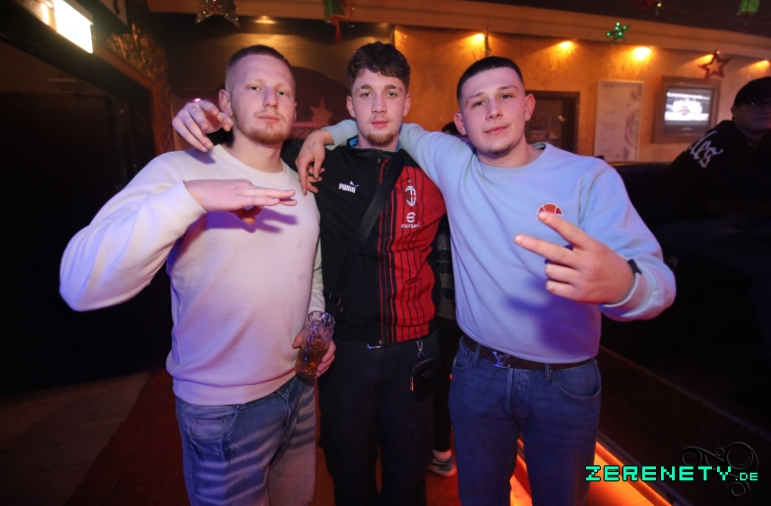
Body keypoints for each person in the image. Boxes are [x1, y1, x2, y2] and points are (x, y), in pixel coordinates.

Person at [299, 56, 676, 506]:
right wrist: (322, 136)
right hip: (478, 373)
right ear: (461, 122)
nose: (493, 111)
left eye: (505, 96)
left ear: (528, 105)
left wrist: (626, 286)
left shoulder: (588, 178)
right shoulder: (453, 161)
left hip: (563, 381)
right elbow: (380, 120)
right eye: (478, 102)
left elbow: (658, 281)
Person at [60, 45, 335, 506]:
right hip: (222, 409)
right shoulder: (179, 171)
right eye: (255, 86)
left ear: (294, 108)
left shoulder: (302, 186)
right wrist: (191, 198)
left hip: (300, 391)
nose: (271, 99)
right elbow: (79, 284)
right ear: (226, 102)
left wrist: (314, 317)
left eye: (283, 91)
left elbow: (312, 268)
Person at [173, 42, 446, 506]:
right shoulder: (315, 160)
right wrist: (200, 117)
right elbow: (249, 142)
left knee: (408, 481)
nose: (379, 107)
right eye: (366, 94)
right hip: (345, 355)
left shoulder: (437, 168)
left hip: (414, 352)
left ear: (408, 102)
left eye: (391, 93)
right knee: (349, 476)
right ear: (350, 104)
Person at [654, 76, 771, 362]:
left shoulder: (759, 141)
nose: (765, 109)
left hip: (727, 218)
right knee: (766, 266)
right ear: (735, 110)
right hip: (684, 224)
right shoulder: (722, 142)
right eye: (755, 103)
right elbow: (747, 189)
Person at [427, 122, 468, 478]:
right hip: (443, 312)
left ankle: (444, 450)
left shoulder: (457, 194)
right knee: (440, 382)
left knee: (446, 382)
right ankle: (441, 449)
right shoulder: (439, 194)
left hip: (466, 316)